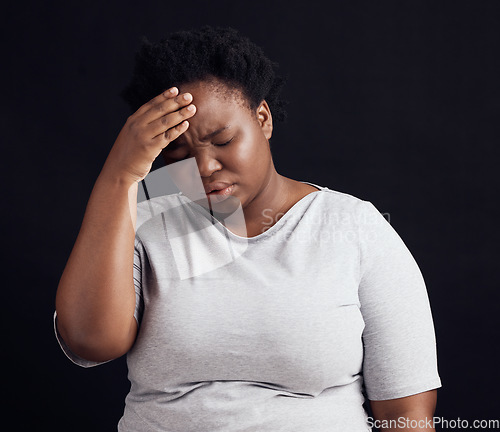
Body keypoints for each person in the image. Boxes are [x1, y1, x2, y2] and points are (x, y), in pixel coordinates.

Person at [54, 25, 442, 431]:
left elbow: (407, 416)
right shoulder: (145, 221)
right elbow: (90, 342)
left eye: (222, 140)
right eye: (178, 152)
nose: (203, 167)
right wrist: (120, 176)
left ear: (263, 118)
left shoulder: (354, 228)